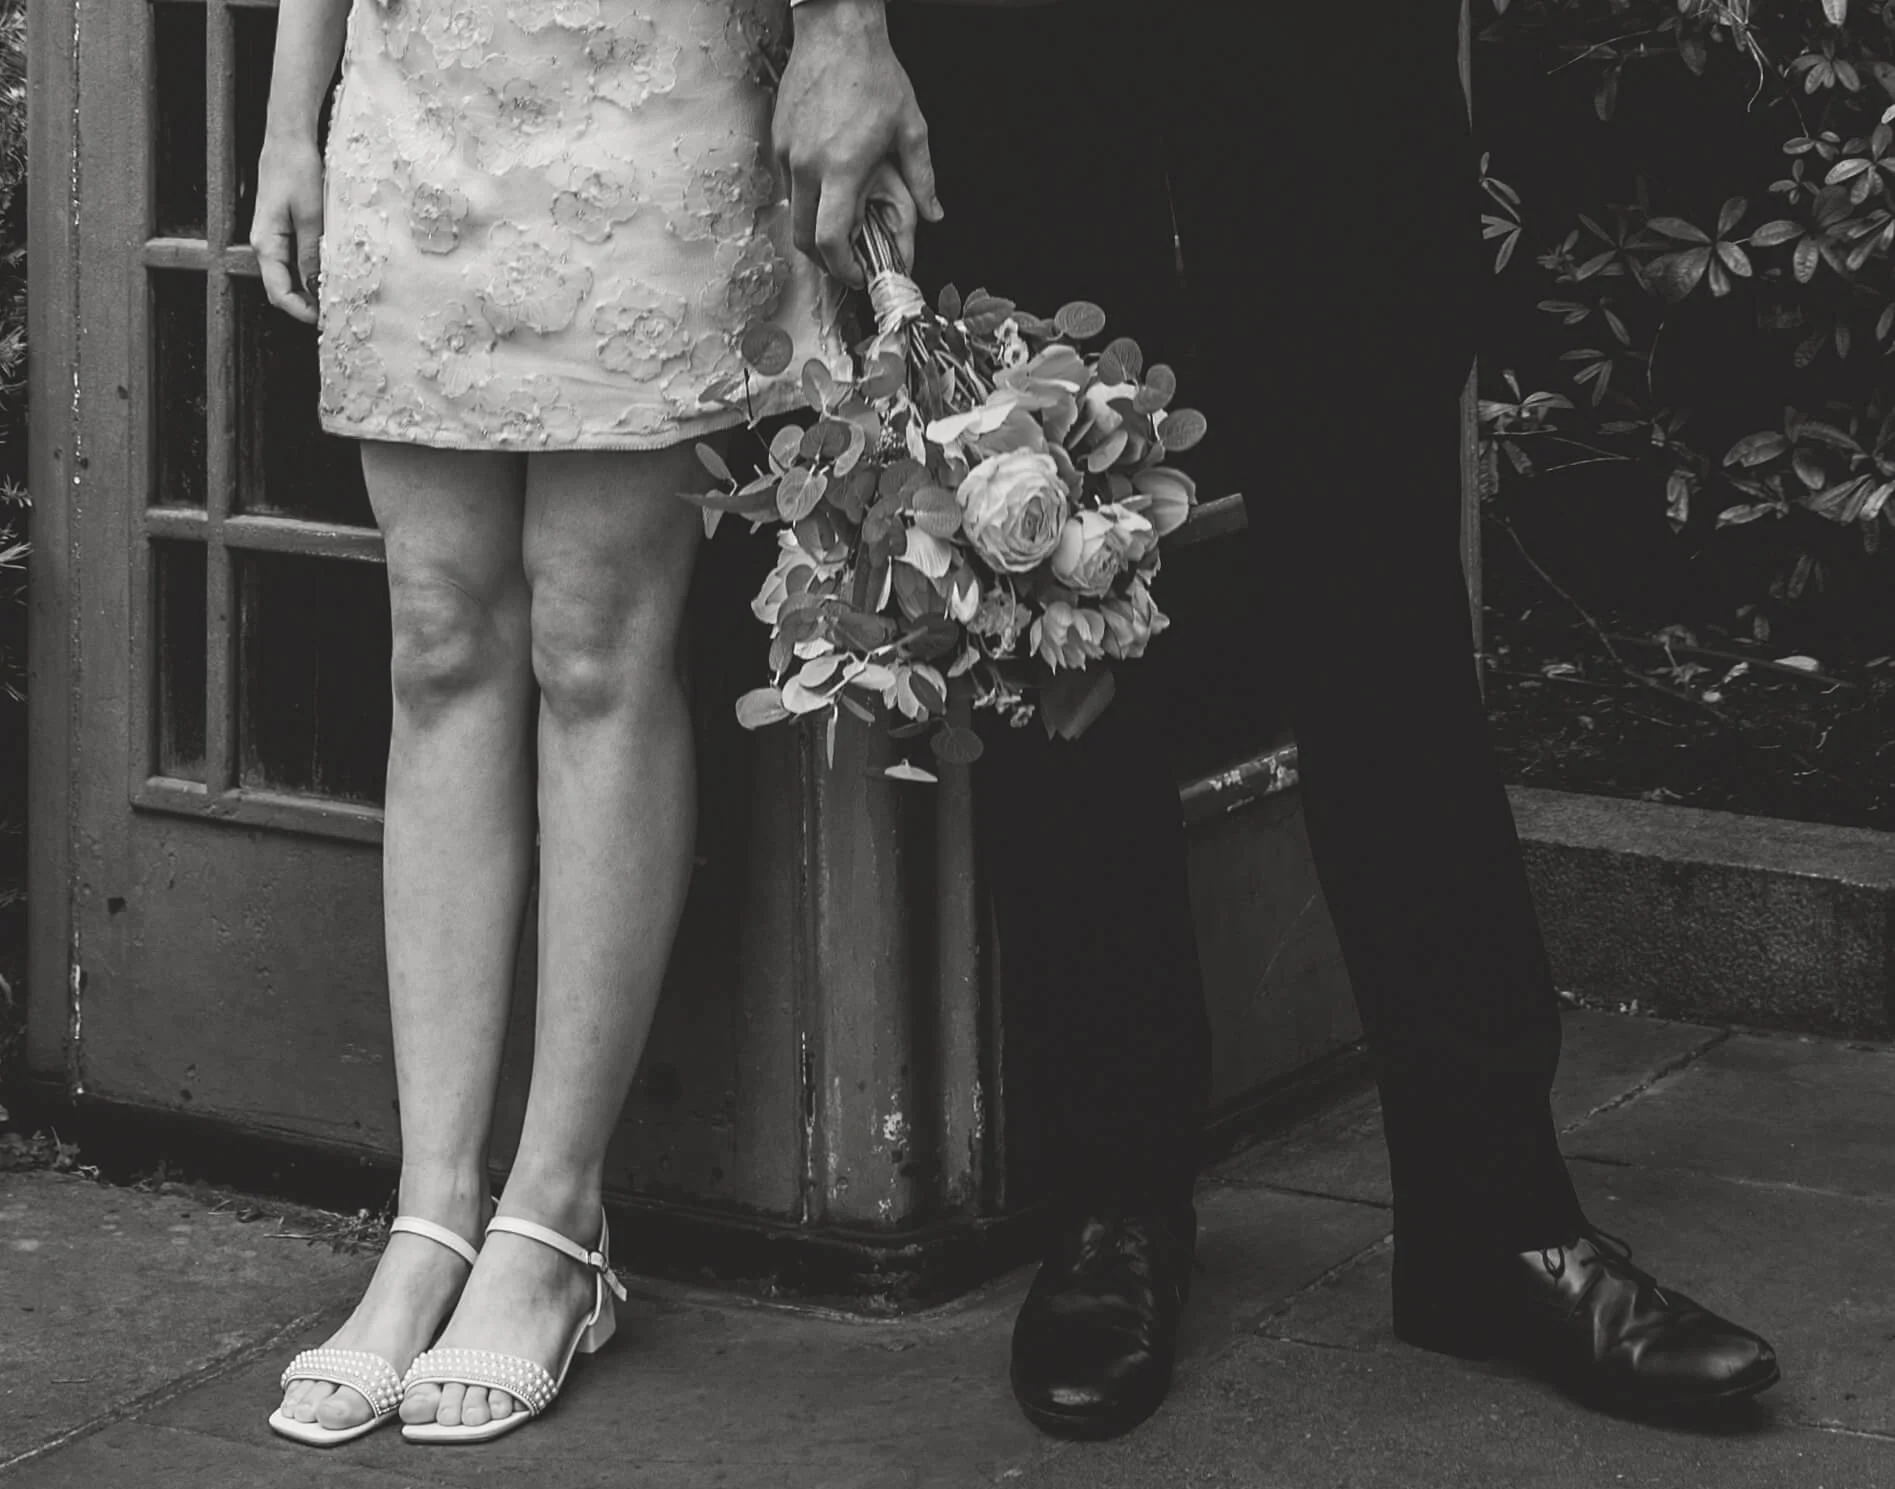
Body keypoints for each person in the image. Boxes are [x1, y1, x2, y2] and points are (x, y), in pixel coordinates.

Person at [774, 0, 1783, 1439]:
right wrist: (838, 27)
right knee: (1054, 589)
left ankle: (1493, 1212)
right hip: (1013, 46)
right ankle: (1115, 1201)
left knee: (1386, 601)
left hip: (1328, 51)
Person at [252, 0, 843, 1447]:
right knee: (438, 641)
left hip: (654, 88)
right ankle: (434, 1211)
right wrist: (287, 121)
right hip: (415, 98)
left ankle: (554, 1221)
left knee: (597, 644)